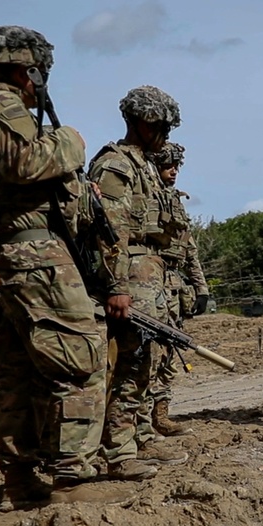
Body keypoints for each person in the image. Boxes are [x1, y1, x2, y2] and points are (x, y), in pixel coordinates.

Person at [0, 25, 149, 510]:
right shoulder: (1, 104)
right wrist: (70, 142)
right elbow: (25, 164)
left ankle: (20, 480)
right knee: (79, 358)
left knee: (20, 368)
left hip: (15, 256)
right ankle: (72, 475)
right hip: (36, 255)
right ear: (29, 70)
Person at [89, 86, 190, 465]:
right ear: (141, 124)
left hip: (148, 277)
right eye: (161, 127)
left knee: (144, 363)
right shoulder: (116, 165)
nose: (166, 135)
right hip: (129, 278)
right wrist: (116, 286)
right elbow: (111, 232)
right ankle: (118, 448)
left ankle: (139, 436)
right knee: (129, 365)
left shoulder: (143, 165)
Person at [145, 142, 208, 437]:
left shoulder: (176, 202)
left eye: (177, 166)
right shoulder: (145, 198)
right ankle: (140, 421)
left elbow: (190, 250)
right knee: (149, 355)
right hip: (148, 282)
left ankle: (162, 414)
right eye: (167, 165)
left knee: (170, 353)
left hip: (173, 288)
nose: (173, 171)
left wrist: (201, 288)